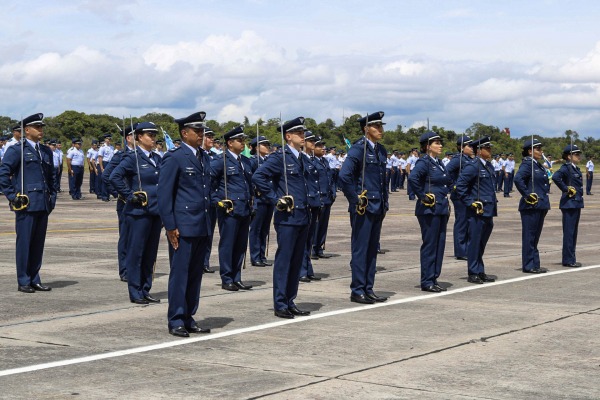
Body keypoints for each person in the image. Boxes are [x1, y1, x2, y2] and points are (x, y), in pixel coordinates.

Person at [158, 111, 212, 337]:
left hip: (202, 224)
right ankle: (176, 319)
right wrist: (170, 226)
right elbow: (164, 195)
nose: (201, 135)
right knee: (180, 274)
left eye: (202, 131)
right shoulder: (175, 157)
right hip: (183, 225)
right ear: (184, 133)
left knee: (195, 275)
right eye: (196, 131)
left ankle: (189, 316)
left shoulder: (205, 157)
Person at [252, 116, 312, 319]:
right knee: (285, 260)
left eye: (303, 133)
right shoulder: (280, 157)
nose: (303, 136)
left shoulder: (302, 158)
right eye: (299, 133)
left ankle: (290, 300)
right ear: (288, 136)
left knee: (296, 261)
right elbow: (258, 177)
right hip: (287, 217)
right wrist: (275, 199)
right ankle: (280, 303)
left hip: (303, 215)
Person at [0, 113, 56, 293]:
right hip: (26, 203)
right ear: (26, 130)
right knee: (24, 243)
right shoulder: (17, 150)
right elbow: (3, 174)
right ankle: (23, 279)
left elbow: (51, 177)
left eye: (42, 127)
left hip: (43, 203)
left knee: (38, 244)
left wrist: (52, 197)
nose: (41, 130)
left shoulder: (46, 151)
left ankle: (35, 278)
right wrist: (12, 196)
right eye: (37, 127)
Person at [338, 111, 389, 304]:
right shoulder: (358, 149)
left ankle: (368, 288)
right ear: (366, 129)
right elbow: (344, 177)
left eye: (381, 126)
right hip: (364, 207)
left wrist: (385, 204)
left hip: (378, 207)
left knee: (371, 250)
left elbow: (382, 181)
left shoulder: (381, 150)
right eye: (377, 127)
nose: (380, 130)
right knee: (360, 250)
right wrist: (355, 199)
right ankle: (357, 289)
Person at [109, 122, 162, 304]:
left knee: (150, 254)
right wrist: (129, 195)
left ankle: (146, 288)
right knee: (136, 253)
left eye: (154, 135)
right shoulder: (133, 158)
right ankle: (135, 291)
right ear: (139, 137)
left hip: (155, 212)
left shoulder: (157, 158)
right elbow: (114, 176)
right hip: (138, 212)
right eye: (150, 135)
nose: (153, 138)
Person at [210, 125, 254, 292]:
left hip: (244, 208)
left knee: (241, 245)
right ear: (229, 143)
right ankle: (227, 277)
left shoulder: (245, 161)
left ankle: (237, 277)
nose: (242, 143)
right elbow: (209, 183)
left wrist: (252, 203)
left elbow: (249, 185)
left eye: (243, 140)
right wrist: (218, 200)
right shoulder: (220, 161)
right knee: (228, 244)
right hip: (229, 209)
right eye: (239, 140)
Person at [407, 131, 452, 293]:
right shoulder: (423, 162)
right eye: (437, 143)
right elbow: (413, 178)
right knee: (430, 245)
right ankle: (427, 280)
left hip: (440, 209)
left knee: (439, 245)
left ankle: (433, 277)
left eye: (440, 142)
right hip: (429, 210)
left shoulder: (438, 162)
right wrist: (423, 196)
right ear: (427, 146)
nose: (440, 145)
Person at [455, 136, 497, 284]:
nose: (490, 150)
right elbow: (460, 186)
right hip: (477, 212)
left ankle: (480, 270)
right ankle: (473, 272)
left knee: (481, 243)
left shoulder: (489, 166)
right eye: (487, 148)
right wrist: (470, 202)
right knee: (474, 242)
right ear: (479, 150)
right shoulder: (473, 166)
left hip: (488, 210)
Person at [103, 125, 136, 282]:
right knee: (126, 237)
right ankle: (125, 270)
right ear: (129, 138)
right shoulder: (121, 155)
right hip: (125, 203)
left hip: (140, 203)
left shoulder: (143, 155)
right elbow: (107, 176)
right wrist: (119, 194)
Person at [514, 137, 550, 274]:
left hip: (540, 205)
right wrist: (527, 194)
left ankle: (535, 263)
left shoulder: (537, 164)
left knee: (535, 237)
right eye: (538, 149)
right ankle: (529, 265)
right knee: (530, 237)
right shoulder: (528, 164)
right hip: (531, 206)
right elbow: (518, 179)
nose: (541, 151)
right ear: (530, 151)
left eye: (541, 149)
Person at [551, 144, 584, 268]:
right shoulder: (566, 168)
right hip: (569, 204)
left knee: (573, 233)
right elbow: (555, 177)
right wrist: (566, 189)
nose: (579, 156)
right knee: (569, 233)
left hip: (575, 203)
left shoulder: (575, 168)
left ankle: (571, 258)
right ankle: (568, 259)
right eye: (576, 154)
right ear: (569, 156)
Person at [299, 131, 323, 282]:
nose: (313, 143)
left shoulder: (313, 159)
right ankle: (302, 270)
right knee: (303, 239)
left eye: (314, 140)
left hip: (314, 202)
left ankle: (308, 268)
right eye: (310, 140)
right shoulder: (300, 159)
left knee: (309, 239)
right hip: (306, 202)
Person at [446, 135, 475, 261]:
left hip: (467, 195)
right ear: (461, 147)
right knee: (462, 222)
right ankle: (460, 251)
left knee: (468, 222)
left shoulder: (469, 159)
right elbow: (446, 172)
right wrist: (453, 187)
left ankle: (467, 249)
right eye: (469, 145)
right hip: (459, 196)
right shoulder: (457, 159)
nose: (472, 148)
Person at [248, 134, 274, 267]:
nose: (267, 147)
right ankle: (255, 256)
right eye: (264, 145)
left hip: (269, 199)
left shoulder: (268, 161)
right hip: (259, 198)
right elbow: (250, 179)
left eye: (268, 144)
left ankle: (262, 255)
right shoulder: (252, 161)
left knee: (265, 229)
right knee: (256, 229)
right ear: (257, 147)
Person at [312, 137, 335, 259]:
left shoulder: (325, 161)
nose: (323, 148)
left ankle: (319, 247)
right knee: (316, 224)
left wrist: (333, 192)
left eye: (323, 146)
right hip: (318, 197)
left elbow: (330, 178)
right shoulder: (312, 162)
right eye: (319, 146)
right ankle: (312, 247)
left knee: (323, 224)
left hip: (327, 197)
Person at [201, 126, 217, 274]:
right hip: (199, 202)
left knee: (209, 233)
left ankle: (205, 261)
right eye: (209, 136)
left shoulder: (213, 156)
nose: (211, 139)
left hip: (211, 201)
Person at [97, 134, 115, 202]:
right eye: (108, 139)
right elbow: (100, 158)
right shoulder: (102, 147)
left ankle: (108, 195)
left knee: (109, 180)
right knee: (104, 180)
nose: (109, 140)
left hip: (111, 163)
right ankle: (104, 196)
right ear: (105, 139)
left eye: (110, 139)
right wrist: (101, 167)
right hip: (105, 163)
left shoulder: (111, 147)